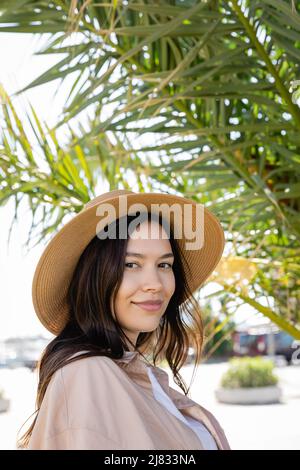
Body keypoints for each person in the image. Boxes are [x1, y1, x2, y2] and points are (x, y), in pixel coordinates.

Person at [17, 189, 231, 450]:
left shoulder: (136, 373)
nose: (154, 284)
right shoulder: (87, 374)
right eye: (131, 264)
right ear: (95, 276)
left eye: (164, 265)